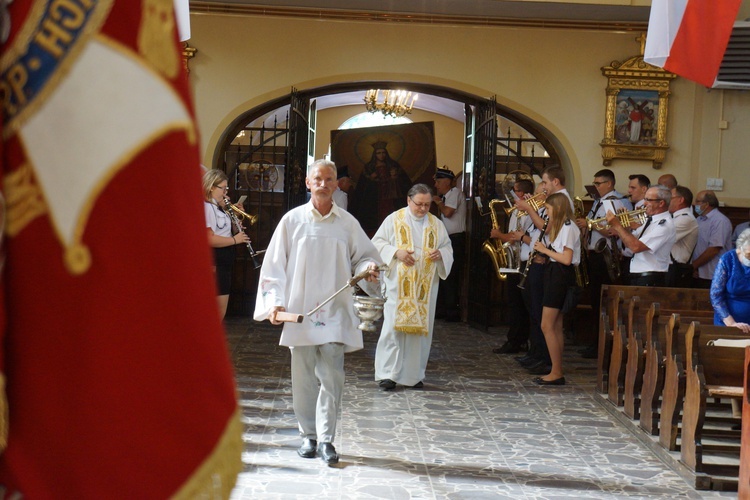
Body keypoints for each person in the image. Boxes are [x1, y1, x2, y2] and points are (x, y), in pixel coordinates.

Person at [253, 159, 382, 465]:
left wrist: (369, 269)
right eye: (318, 179)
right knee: (303, 378)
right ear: (308, 183)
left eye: (329, 179)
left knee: (332, 377)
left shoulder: (347, 223)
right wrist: (275, 303)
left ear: (336, 184)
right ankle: (308, 436)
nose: (324, 184)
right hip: (300, 312)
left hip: (336, 310)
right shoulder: (292, 221)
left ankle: (327, 439)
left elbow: (364, 257)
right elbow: (274, 267)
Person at [373, 183, 453, 391]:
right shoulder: (394, 219)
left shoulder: (436, 225)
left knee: (420, 332)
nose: (423, 209)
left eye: (427, 205)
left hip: (424, 289)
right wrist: (396, 252)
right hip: (398, 285)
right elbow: (377, 243)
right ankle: (387, 374)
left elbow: (447, 248)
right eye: (419, 204)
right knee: (393, 328)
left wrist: (441, 254)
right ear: (409, 200)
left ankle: (412, 375)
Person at [515, 166, 572, 373]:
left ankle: (549, 362)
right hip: (545, 263)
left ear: (555, 182)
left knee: (548, 320)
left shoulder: (563, 208)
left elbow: (547, 230)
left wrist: (530, 208)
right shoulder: (553, 206)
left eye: (545, 183)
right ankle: (540, 355)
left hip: (553, 267)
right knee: (539, 314)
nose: (544, 187)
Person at [575, 168, 628, 358]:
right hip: (595, 254)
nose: (595, 186)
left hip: (606, 256)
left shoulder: (614, 202)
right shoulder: (600, 202)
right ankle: (596, 342)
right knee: (596, 300)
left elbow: (614, 230)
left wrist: (590, 224)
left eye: (598, 183)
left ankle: (602, 345)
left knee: (603, 301)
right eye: (594, 183)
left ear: (609, 184)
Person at [529, 193, 581, 385]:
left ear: (557, 209)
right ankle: (556, 369)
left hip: (560, 275)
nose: (547, 214)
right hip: (555, 272)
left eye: (549, 210)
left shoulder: (568, 227)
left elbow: (566, 259)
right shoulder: (561, 228)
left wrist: (544, 250)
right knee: (555, 325)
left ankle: (556, 371)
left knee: (547, 325)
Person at [491, 177, 535, 354]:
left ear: (521, 193)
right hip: (514, 260)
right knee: (515, 303)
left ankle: (517, 340)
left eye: (514, 190)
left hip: (521, 262)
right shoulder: (517, 211)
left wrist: (498, 235)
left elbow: (515, 236)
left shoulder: (527, 212)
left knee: (518, 305)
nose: (512, 194)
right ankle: (516, 339)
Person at [203, 169, 251, 319]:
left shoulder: (218, 208)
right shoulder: (207, 207)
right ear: (211, 187)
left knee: (220, 309)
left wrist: (235, 217)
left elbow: (226, 231)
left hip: (225, 260)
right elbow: (209, 239)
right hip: (215, 260)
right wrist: (235, 240)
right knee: (217, 310)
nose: (225, 192)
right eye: (222, 188)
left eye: (226, 188)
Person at [606, 185, 676, 287]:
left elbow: (636, 247)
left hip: (650, 276)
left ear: (661, 203)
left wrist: (617, 225)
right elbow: (631, 240)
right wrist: (624, 225)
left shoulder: (664, 225)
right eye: (645, 199)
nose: (644, 203)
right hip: (639, 273)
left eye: (648, 200)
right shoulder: (651, 220)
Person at [352, 141, 412, 236]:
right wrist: (371, 179)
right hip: (375, 197)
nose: (381, 155)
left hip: (391, 196)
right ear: (375, 154)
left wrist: (395, 178)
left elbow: (405, 182)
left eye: (383, 153)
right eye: (378, 153)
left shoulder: (393, 165)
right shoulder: (369, 167)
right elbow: (362, 187)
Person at [432, 166, 466, 322]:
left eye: (438, 182)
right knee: (443, 273)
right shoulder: (447, 196)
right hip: (447, 240)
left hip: (455, 239)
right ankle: (442, 309)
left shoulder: (454, 193)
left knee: (450, 275)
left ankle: (452, 311)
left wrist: (438, 202)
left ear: (447, 182)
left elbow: (448, 213)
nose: (436, 185)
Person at [710, 228, 750, 334]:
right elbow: (716, 295)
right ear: (740, 249)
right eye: (748, 255)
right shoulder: (728, 259)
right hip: (728, 323)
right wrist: (731, 323)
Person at [691, 190, 733, 289]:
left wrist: (693, 266)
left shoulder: (720, 221)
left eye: (697, 201)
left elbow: (714, 249)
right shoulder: (699, 219)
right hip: (699, 273)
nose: (695, 204)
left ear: (706, 204)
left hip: (713, 274)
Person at [666, 185, 698, 287]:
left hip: (676, 269)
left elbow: (663, 237)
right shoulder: (674, 217)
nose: (667, 201)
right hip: (670, 268)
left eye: (670, 198)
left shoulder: (686, 219)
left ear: (680, 200)